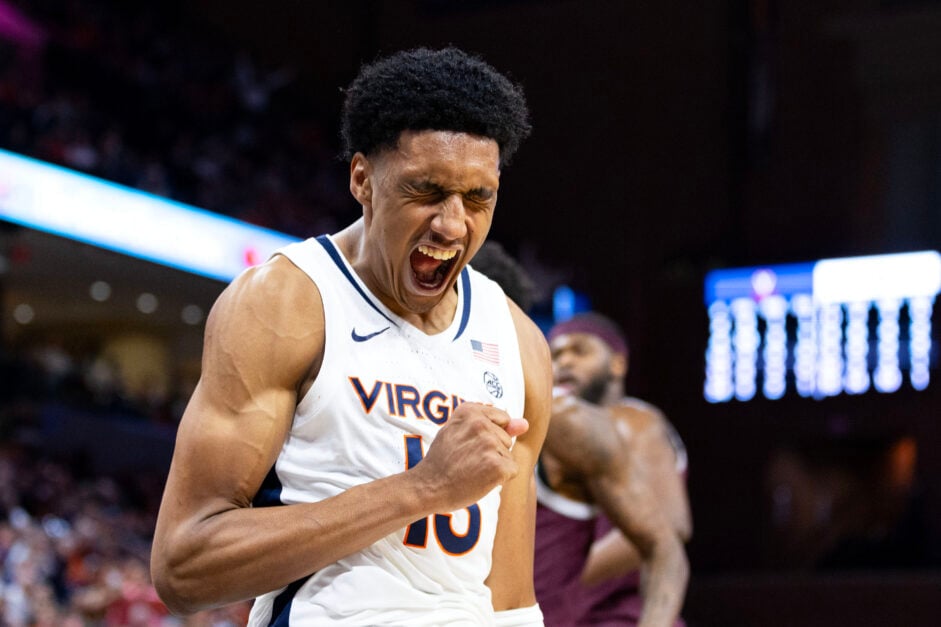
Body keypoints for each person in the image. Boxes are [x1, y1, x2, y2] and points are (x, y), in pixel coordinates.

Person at [150, 47, 553, 626]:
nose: (452, 223)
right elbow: (184, 566)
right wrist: (422, 489)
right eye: (426, 190)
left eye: (477, 198)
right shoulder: (286, 303)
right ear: (362, 179)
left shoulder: (518, 339)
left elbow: (511, 600)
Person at [535, 312, 692, 627]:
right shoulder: (562, 433)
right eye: (555, 355)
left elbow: (672, 525)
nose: (564, 362)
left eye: (580, 351)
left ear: (618, 364)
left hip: (627, 616)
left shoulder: (632, 421)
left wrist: (555, 576)